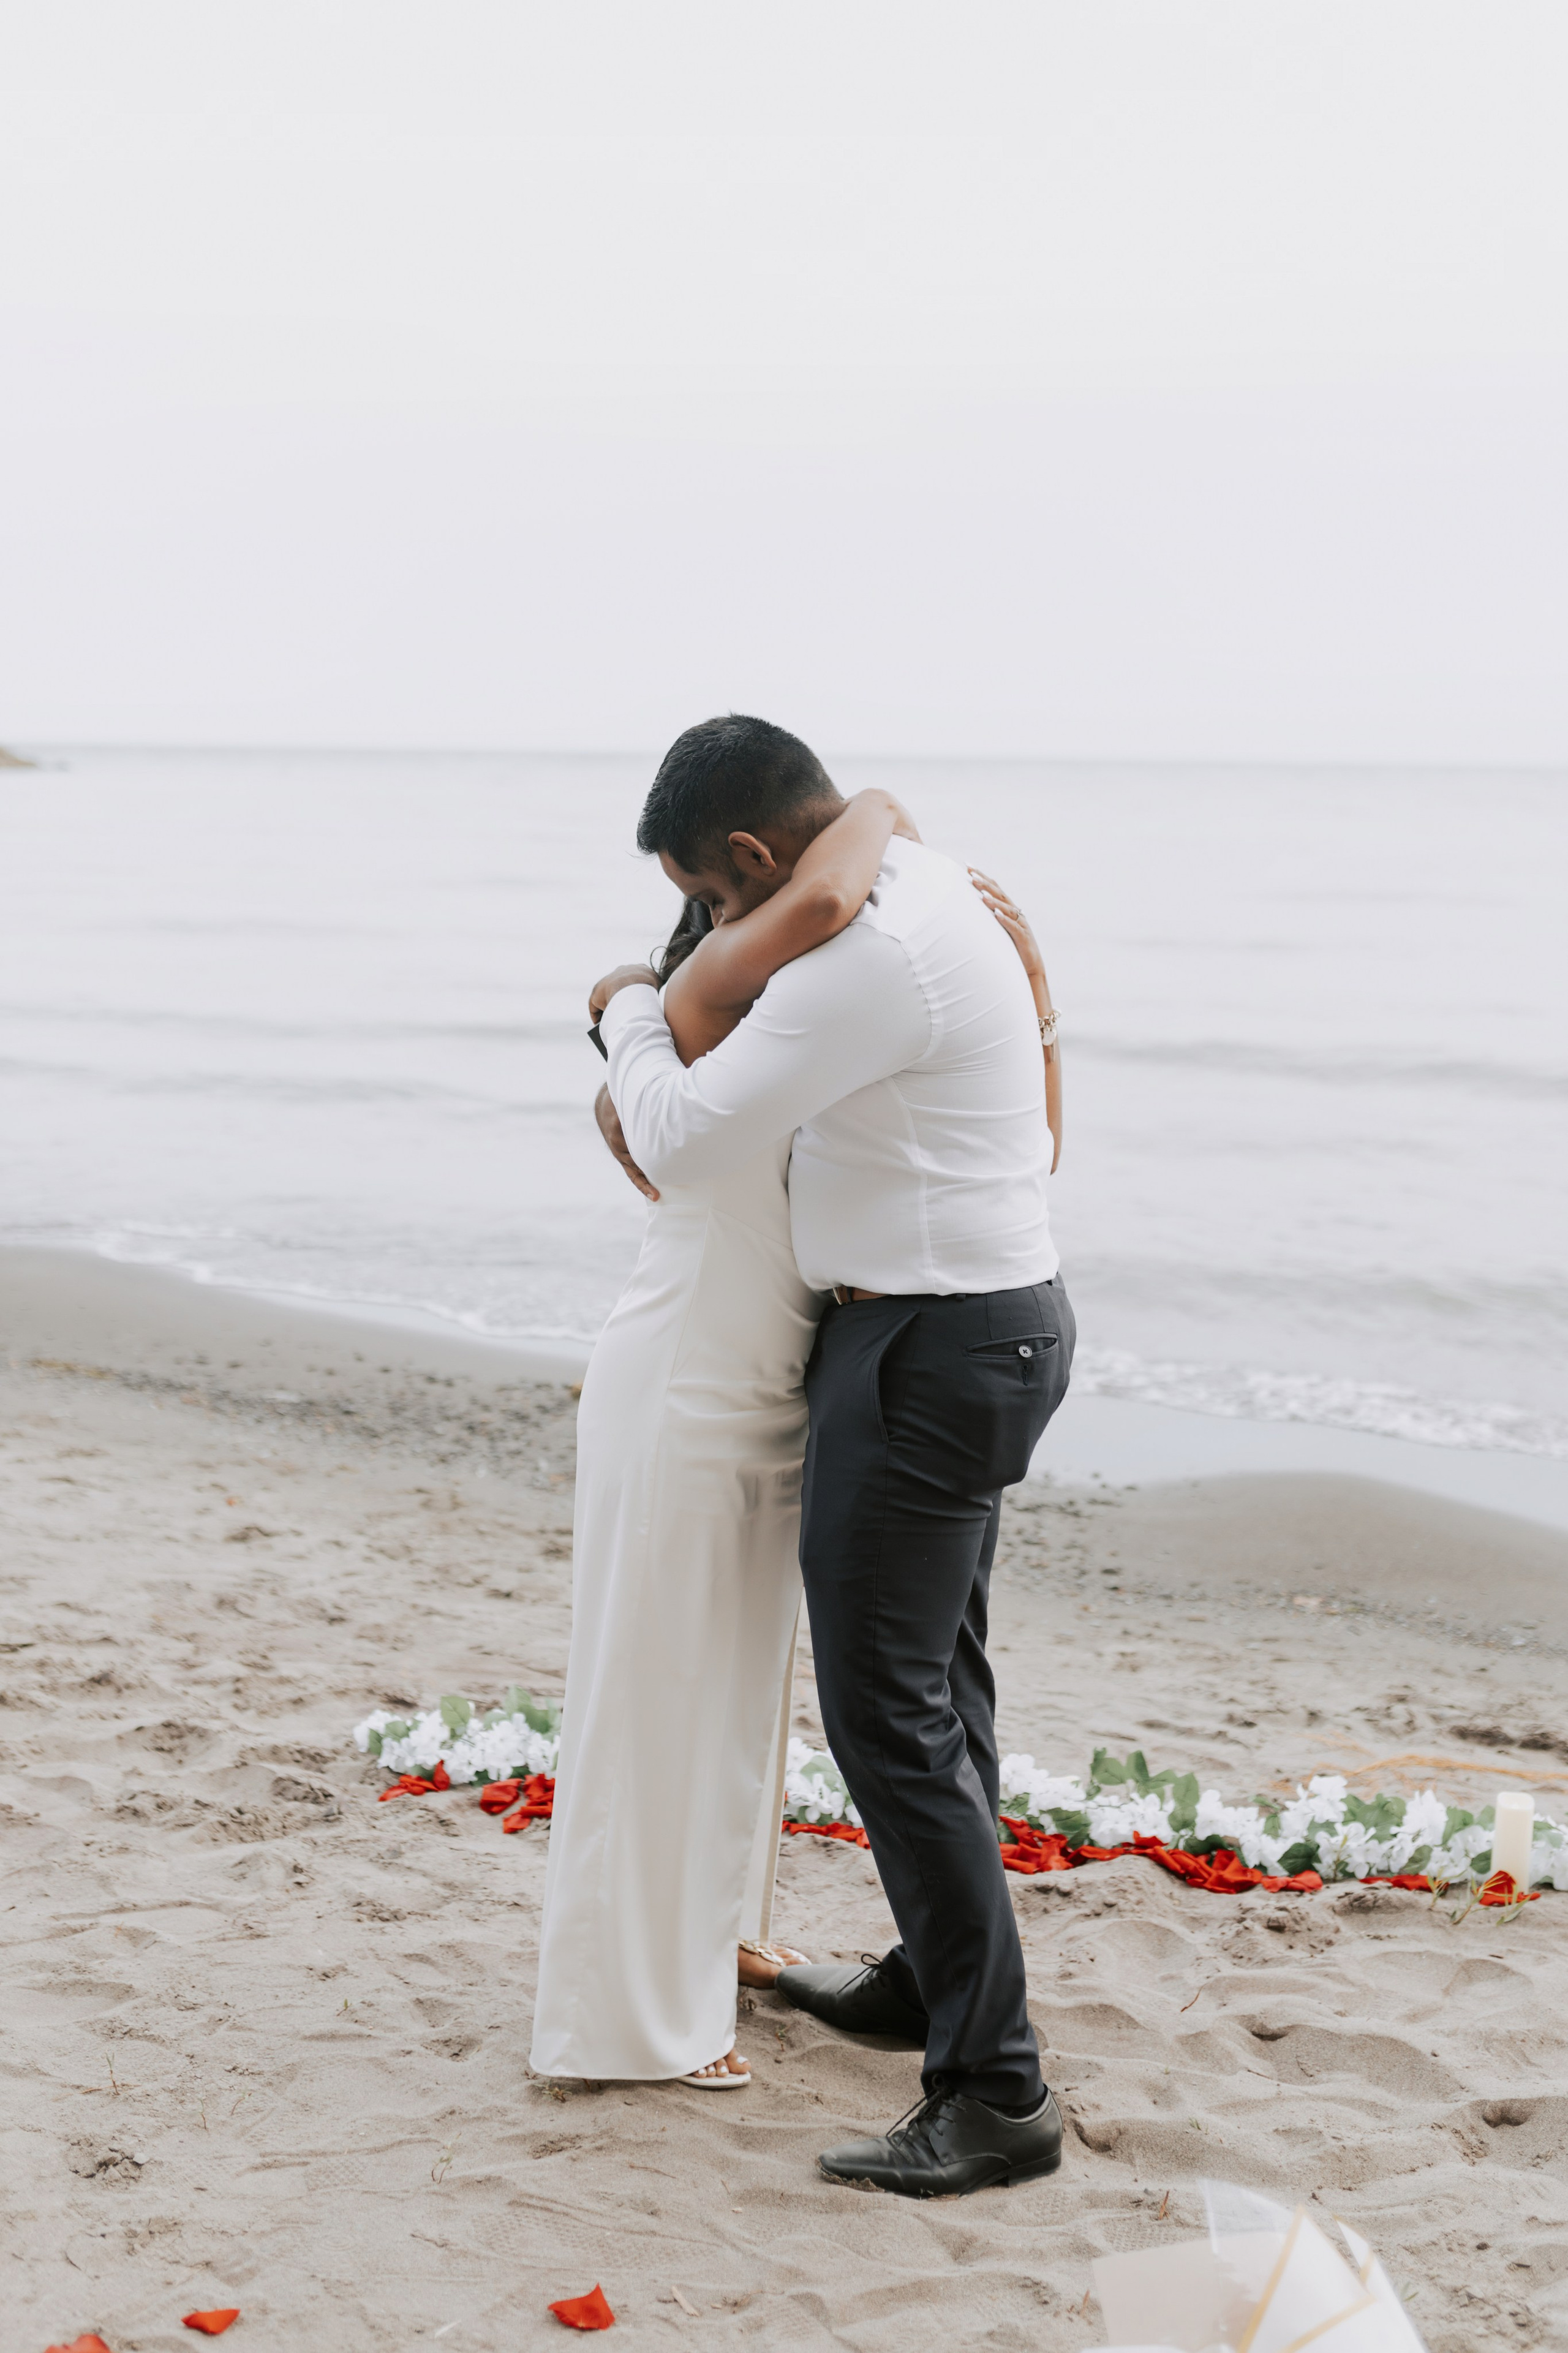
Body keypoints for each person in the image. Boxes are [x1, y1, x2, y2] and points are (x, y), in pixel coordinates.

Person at [590, 714, 1072, 2197]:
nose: (719, 934)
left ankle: (994, 2092)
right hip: (975, 1327)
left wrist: (618, 1002)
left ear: (745, 856)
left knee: (888, 1721)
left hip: (928, 1350)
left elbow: (673, 1134)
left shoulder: (865, 955)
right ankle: (933, 1983)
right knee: (943, 1691)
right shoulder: (923, 881)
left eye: (715, 902)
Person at [529, 779, 918, 2089]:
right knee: (656, 1697)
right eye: (710, 907)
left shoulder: (794, 1032)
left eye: (701, 894)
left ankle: (710, 1943)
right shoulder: (705, 1011)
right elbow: (819, 887)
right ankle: (633, 2022)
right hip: (684, 1387)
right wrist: (624, 993)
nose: (716, 916)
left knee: (733, 1698)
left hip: (761, 1394)